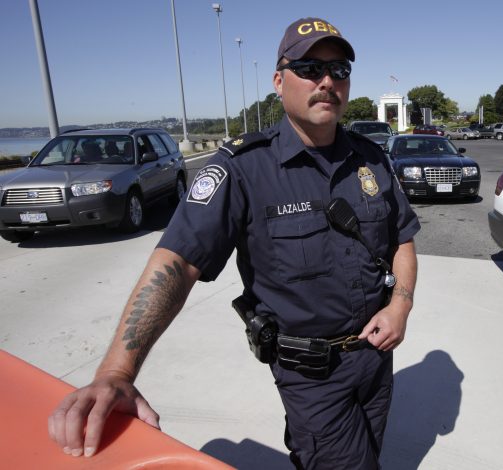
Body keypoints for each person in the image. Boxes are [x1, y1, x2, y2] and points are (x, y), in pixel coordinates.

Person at [48, 17, 420, 469]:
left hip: (377, 360)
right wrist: (116, 373)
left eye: (339, 69)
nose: (326, 81)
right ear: (279, 82)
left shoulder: (371, 158)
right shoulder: (242, 168)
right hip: (312, 376)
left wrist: (399, 305)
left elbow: (401, 237)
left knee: (370, 454)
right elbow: (177, 261)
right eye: (309, 68)